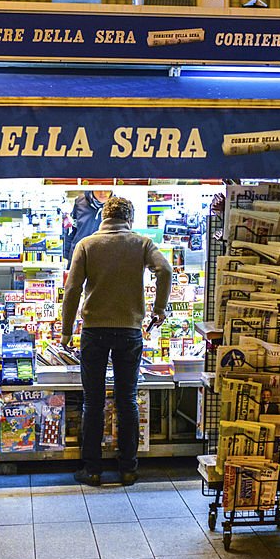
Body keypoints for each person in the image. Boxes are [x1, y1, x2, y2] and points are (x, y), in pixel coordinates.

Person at [61, 197, 173, 486]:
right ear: (129, 219)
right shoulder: (141, 243)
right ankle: (127, 469)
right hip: (130, 332)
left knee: (93, 401)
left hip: (94, 332)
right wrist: (159, 309)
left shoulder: (86, 245)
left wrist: (65, 330)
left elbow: (72, 290)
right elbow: (165, 270)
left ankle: (93, 469)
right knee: (127, 400)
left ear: (102, 218)